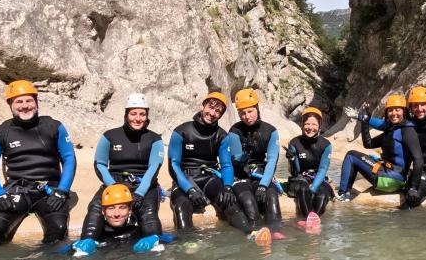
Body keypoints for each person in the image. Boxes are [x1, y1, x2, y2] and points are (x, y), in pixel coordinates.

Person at [0, 80, 77, 253]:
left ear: (36, 102)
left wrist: (62, 190)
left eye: (29, 100)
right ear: (11, 104)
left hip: (50, 191)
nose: (25, 106)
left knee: (58, 231)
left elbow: (69, 159)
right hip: (17, 191)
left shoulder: (54, 126)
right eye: (19, 102)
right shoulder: (0, 132)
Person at [79, 93, 165, 250]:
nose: (137, 118)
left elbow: (154, 168)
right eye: (133, 113)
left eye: (142, 114)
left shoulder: (155, 139)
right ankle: (87, 242)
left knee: (148, 213)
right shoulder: (110, 136)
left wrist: (139, 193)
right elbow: (100, 164)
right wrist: (113, 187)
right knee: (96, 208)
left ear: (147, 116)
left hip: (144, 183)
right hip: (113, 182)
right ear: (126, 115)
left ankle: (153, 241)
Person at [168, 91, 252, 233]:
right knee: (182, 207)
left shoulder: (221, 135)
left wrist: (227, 187)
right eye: (210, 107)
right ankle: (187, 244)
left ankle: (249, 234)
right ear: (203, 106)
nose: (212, 113)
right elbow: (173, 165)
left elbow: (226, 165)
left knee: (230, 202)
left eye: (218, 111)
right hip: (185, 179)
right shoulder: (181, 131)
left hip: (209, 179)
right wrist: (190, 190)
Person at [338, 94, 425, 208]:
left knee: (351, 155)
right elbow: (368, 144)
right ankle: (347, 192)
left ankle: (343, 194)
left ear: (404, 112)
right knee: (357, 156)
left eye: (397, 110)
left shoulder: (407, 130)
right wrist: (365, 122)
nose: (394, 113)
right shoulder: (391, 130)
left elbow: (419, 159)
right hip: (390, 176)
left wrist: (413, 188)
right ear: (386, 113)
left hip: (391, 179)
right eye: (390, 110)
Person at [227, 88, 282, 230]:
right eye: (242, 113)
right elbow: (236, 162)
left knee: (271, 196)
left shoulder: (270, 131)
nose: (247, 116)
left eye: (250, 111)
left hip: (261, 174)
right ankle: (255, 232)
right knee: (248, 201)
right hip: (241, 176)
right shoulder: (235, 131)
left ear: (257, 108)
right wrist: (245, 154)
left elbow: (272, 160)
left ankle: (276, 231)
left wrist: (263, 185)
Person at [72, 184, 167, 256]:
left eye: (122, 208)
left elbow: (173, 239)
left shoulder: (139, 232)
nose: (117, 214)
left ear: (130, 210)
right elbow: (59, 253)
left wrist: (156, 239)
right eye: (111, 208)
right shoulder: (97, 237)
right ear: (103, 211)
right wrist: (73, 248)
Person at [285, 107, 333, 217]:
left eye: (314, 124)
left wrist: (314, 187)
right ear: (302, 124)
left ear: (319, 125)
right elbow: (294, 172)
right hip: (300, 179)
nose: (310, 128)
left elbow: (323, 169)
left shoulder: (326, 145)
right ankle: (307, 219)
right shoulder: (294, 143)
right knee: (303, 189)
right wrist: (292, 159)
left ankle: (314, 219)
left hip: (318, 178)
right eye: (307, 124)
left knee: (321, 195)